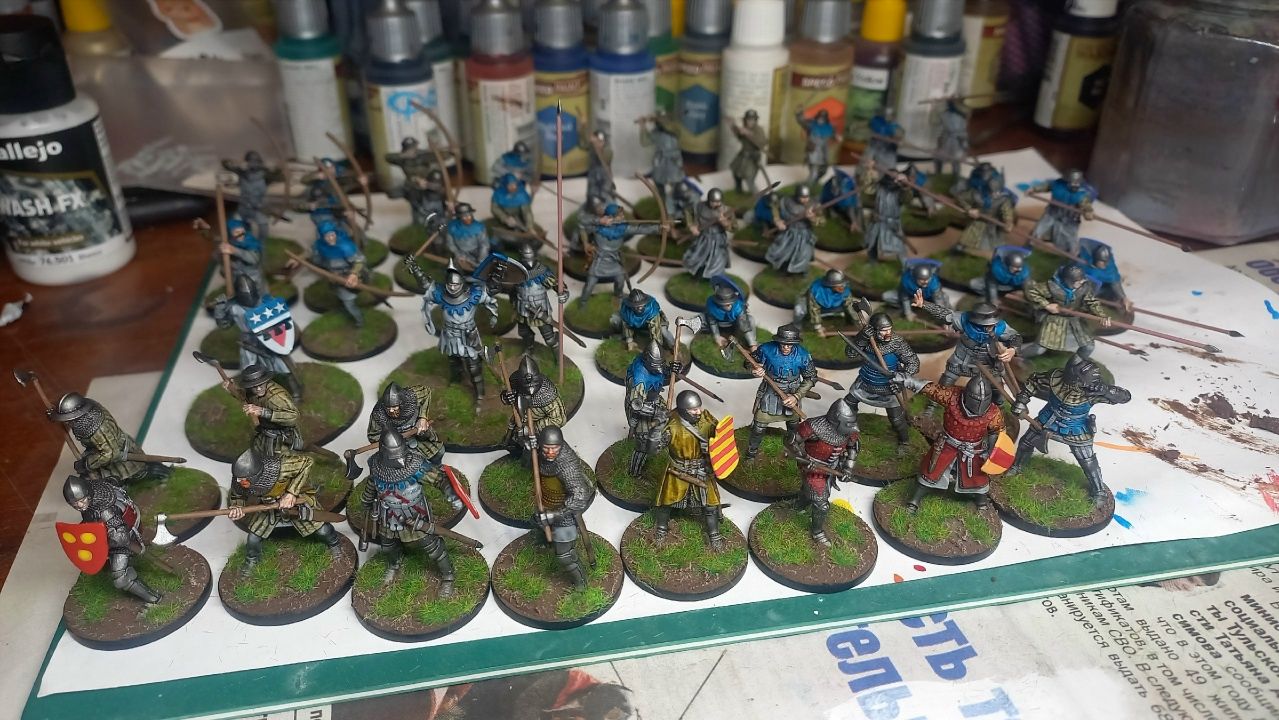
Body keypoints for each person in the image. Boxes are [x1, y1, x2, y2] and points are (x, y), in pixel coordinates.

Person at [1010, 354, 1131, 505]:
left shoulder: (1093, 391)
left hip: (1076, 428)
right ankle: (1016, 467)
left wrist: (1106, 390)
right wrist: (1021, 401)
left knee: (1087, 460)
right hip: (1046, 420)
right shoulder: (1055, 378)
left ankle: (1099, 491)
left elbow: (1125, 397)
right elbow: (1034, 381)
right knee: (1025, 443)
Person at [360, 430, 456, 593]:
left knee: (432, 547)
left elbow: (439, 479)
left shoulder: (415, 465)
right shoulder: (376, 465)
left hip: (415, 514)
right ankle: (394, 565)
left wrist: (450, 493)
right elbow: (372, 484)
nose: (400, 460)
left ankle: (448, 576)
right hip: (388, 515)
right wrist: (367, 500)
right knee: (388, 546)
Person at [227, 448, 343, 576]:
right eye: (239, 479)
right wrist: (237, 507)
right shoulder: (240, 481)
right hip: (269, 507)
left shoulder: (281, 467)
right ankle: (252, 560)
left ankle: (334, 544)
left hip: (297, 504)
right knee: (253, 537)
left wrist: (291, 494)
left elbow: (306, 462)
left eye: (244, 479)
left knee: (322, 529)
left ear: (256, 474)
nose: (240, 482)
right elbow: (237, 494)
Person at [899, 375, 1005, 512]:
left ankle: (981, 501)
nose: (979, 404)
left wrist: (989, 452)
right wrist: (908, 380)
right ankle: (915, 499)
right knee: (930, 472)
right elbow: (932, 389)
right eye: (976, 399)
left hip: (973, 450)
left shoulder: (993, 413)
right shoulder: (952, 397)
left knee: (977, 477)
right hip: (947, 444)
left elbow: (997, 432)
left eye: (983, 400)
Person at [62, 473, 161, 603]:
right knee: (105, 565)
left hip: (125, 538)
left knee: (120, 578)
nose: (79, 505)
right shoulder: (94, 490)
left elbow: (122, 539)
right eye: (74, 503)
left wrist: (101, 542)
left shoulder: (105, 512)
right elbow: (113, 479)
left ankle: (154, 598)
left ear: (87, 494)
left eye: (82, 500)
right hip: (115, 531)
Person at [366, 382, 463, 511]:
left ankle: (437, 468)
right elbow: (373, 436)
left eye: (394, 407)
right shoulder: (378, 414)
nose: (391, 411)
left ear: (402, 402)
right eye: (388, 408)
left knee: (438, 452)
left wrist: (422, 418)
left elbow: (426, 391)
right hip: (396, 449)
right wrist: (391, 438)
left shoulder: (411, 396)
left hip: (418, 437)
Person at [415, 261, 499, 406]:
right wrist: (416, 270)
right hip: (450, 335)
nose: (453, 288)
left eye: (456, 284)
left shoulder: (473, 295)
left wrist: (493, 315)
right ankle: (456, 382)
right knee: (454, 361)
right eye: (450, 284)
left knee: (473, 366)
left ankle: (480, 395)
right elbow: (427, 285)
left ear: (462, 283)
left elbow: (489, 295)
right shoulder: (442, 294)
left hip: (468, 335)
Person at [912, 297, 1020, 404]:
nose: (990, 326)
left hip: (989, 363)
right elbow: (944, 314)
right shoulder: (963, 320)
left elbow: (1015, 337)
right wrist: (924, 304)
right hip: (961, 360)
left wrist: (1012, 349)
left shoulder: (1001, 327)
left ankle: (999, 408)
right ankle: (932, 406)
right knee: (944, 384)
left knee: (998, 391)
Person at [653, 391, 726, 550]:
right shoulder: (671, 426)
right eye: (694, 410)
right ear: (683, 410)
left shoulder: (706, 421)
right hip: (678, 470)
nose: (699, 412)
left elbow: (721, 436)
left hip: (701, 470)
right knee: (666, 503)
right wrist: (656, 429)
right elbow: (654, 449)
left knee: (710, 506)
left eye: (699, 408)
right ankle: (661, 529)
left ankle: (714, 535)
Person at [49, 393, 169, 485]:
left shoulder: (98, 429)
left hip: (119, 454)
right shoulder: (88, 414)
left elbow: (110, 453)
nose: (68, 423)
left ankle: (163, 473)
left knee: (137, 474)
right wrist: (55, 416)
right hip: (100, 452)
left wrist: (87, 463)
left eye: (69, 420)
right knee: (92, 478)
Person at [841, 312, 920, 453]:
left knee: (896, 419)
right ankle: (849, 430)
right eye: (884, 330)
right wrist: (862, 336)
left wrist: (900, 379)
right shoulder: (867, 340)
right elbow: (850, 353)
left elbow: (913, 363)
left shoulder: (897, 342)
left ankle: (905, 441)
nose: (888, 333)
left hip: (889, 387)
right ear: (874, 330)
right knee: (847, 404)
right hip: (865, 383)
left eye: (889, 329)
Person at [213, 275, 301, 399]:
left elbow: (278, 321)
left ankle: (296, 393)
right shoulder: (234, 308)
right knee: (249, 373)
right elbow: (224, 324)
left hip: (267, 339)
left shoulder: (266, 302)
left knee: (283, 367)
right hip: (249, 344)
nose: (249, 297)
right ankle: (254, 399)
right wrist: (220, 310)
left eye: (251, 293)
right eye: (245, 294)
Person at [787, 401, 859, 546]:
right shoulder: (813, 426)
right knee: (822, 504)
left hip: (832, 468)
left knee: (810, 493)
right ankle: (817, 532)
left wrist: (847, 469)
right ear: (837, 420)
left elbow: (853, 449)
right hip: (813, 469)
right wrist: (804, 457)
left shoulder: (850, 431)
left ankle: (799, 505)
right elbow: (792, 441)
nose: (852, 427)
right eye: (848, 423)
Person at [532, 426, 595, 588]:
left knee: (565, 556)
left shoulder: (567, 464)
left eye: (554, 448)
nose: (550, 453)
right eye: (546, 448)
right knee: (538, 525)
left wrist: (555, 515)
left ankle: (581, 584)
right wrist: (528, 450)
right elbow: (528, 464)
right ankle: (547, 543)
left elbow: (579, 496)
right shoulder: (538, 451)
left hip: (566, 513)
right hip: (546, 503)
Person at [745, 324, 817, 458]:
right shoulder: (766, 349)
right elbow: (748, 361)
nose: (786, 347)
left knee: (794, 426)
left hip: (792, 392)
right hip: (770, 391)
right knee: (759, 426)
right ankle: (751, 453)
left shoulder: (803, 355)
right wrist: (754, 369)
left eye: (789, 345)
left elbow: (811, 378)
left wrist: (796, 396)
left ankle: (793, 448)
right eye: (783, 344)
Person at [1021, 263, 1112, 359]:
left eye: (1082, 280)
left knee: (1088, 347)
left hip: (1075, 320)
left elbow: (1092, 302)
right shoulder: (1052, 286)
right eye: (1078, 281)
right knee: (1039, 349)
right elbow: (1032, 291)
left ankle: (1075, 364)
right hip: (1055, 320)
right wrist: (1046, 305)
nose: (1081, 283)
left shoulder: (1084, 287)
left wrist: (1101, 315)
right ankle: (1017, 356)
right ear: (1068, 281)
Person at [579, 204, 662, 304]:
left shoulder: (623, 228)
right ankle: (583, 302)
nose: (623, 217)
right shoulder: (597, 228)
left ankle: (618, 297)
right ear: (610, 217)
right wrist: (586, 243)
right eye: (620, 215)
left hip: (614, 260)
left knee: (620, 280)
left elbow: (640, 229)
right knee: (590, 284)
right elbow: (582, 223)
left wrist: (659, 228)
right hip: (599, 260)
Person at [625, 340, 678, 474]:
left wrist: (672, 370)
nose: (659, 368)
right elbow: (636, 406)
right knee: (643, 444)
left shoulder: (652, 364)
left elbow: (660, 371)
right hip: (641, 409)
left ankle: (656, 447)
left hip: (654, 400)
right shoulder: (639, 378)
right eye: (656, 365)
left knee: (668, 426)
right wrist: (657, 412)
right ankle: (634, 472)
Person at [500, 356, 567, 459]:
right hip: (518, 422)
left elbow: (559, 419)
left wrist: (532, 429)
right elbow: (509, 396)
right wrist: (507, 397)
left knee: (537, 452)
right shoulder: (516, 382)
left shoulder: (548, 394)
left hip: (538, 431)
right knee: (513, 445)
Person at [229, 364, 301, 457]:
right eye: (254, 386)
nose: (258, 389)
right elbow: (244, 397)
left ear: (266, 381)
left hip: (283, 435)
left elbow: (294, 417)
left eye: (261, 384)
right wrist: (232, 389)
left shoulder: (276, 396)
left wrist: (263, 412)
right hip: (265, 431)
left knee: (279, 459)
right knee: (258, 452)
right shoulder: (252, 392)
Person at [305, 219, 366, 326]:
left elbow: (359, 261)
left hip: (347, 277)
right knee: (339, 295)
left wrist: (353, 274)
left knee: (349, 302)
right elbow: (313, 257)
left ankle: (359, 320)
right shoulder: (319, 246)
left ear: (336, 233)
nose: (330, 238)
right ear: (322, 237)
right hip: (333, 278)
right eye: (327, 236)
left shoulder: (346, 247)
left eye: (332, 235)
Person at [509, 242, 569, 350]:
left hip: (539, 310)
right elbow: (513, 289)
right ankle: (529, 348)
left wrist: (563, 292)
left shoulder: (541, 272)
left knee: (549, 339)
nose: (528, 261)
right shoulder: (517, 272)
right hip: (522, 309)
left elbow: (556, 284)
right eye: (525, 258)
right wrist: (513, 302)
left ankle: (555, 346)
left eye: (530, 258)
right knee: (524, 333)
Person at [1028, 169, 1095, 256]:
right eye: (1072, 182)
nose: (1074, 185)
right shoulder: (1058, 185)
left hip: (1069, 220)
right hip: (1051, 214)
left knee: (1071, 242)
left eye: (1076, 183)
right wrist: (1033, 189)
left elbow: (1086, 205)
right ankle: (1028, 249)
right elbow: (1047, 186)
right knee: (1038, 231)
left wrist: (1088, 212)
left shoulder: (1082, 194)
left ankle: (1074, 257)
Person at [221, 150, 279, 238]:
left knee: (263, 225)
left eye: (255, 161)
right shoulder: (242, 172)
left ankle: (261, 243)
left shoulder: (265, 174)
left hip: (258, 207)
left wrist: (270, 167)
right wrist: (239, 164)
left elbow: (277, 173)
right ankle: (244, 241)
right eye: (250, 161)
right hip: (244, 206)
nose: (253, 163)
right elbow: (226, 164)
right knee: (239, 225)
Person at [954, 172, 1017, 254]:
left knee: (997, 243)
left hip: (994, 224)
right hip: (978, 221)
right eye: (992, 192)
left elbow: (1007, 211)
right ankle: (958, 250)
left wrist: (1008, 222)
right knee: (968, 238)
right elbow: (960, 198)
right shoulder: (977, 193)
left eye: (997, 192)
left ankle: (998, 256)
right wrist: (969, 209)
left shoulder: (1004, 198)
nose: (995, 194)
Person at [764, 184, 820, 275]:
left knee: (803, 254)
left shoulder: (814, 205)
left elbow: (821, 221)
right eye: (802, 197)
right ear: (797, 196)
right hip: (789, 232)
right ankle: (783, 268)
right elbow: (775, 208)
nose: (805, 199)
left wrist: (812, 218)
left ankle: (799, 270)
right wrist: (777, 220)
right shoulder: (785, 201)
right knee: (781, 250)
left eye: (807, 197)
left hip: (804, 234)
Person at [683, 188, 736, 280]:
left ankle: (715, 278)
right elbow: (688, 211)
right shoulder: (700, 206)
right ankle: (697, 275)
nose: (717, 204)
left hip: (718, 239)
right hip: (704, 237)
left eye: (718, 202)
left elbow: (734, 227)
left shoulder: (726, 210)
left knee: (717, 259)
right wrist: (691, 226)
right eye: (714, 202)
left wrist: (725, 223)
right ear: (709, 200)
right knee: (697, 256)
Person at [793, 268, 863, 334]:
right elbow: (813, 308)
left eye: (842, 284)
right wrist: (818, 326)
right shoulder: (816, 291)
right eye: (838, 285)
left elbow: (849, 305)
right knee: (799, 310)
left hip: (831, 306)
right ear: (831, 285)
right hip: (810, 304)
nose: (842, 287)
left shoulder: (845, 290)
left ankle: (849, 322)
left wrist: (858, 320)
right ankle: (798, 327)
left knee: (848, 308)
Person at [640, 111, 685, 209]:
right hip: (660, 162)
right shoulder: (656, 132)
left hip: (673, 162)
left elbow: (669, 128)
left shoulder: (675, 128)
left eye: (663, 119)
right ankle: (662, 206)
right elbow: (645, 142)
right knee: (659, 183)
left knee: (674, 185)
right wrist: (643, 127)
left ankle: (675, 207)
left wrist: (659, 119)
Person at [864, 172, 912, 263]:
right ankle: (872, 261)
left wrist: (906, 186)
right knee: (872, 242)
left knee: (899, 245)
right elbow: (868, 191)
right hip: (877, 221)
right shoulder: (879, 187)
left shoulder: (899, 191)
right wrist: (870, 174)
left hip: (892, 222)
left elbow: (907, 199)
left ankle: (905, 264)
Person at [702, 277, 758, 352]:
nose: (729, 306)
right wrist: (717, 336)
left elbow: (744, 325)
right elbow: (712, 321)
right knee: (701, 319)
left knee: (750, 319)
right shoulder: (711, 305)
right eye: (726, 304)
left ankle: (752, 343)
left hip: (734, 324)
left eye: (730, 303)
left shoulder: (738, 307)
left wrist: (752, 344)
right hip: (719, 324)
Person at [610, 288, 674, 351]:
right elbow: (627, 325)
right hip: (636, 326)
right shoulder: (627, 311)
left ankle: (673, 346)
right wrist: (629, 340)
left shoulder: (652, 310)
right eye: (636, 306)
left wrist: (656, 346)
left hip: (653, 325)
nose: (639, 308)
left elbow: (655, 329)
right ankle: (619, 334)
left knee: (663, 331)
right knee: (615, 319)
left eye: (641, 305)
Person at [1079, 238, 1131, 311]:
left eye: (1105, 263)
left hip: (1099, 289)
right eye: (1101, 263)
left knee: (1112, 294)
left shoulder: (1109, 267)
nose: (1104, 265)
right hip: (1083, 285)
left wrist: (1123, 297)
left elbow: (1114, 280)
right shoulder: (1084, 257)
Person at [218, 217, 264, 291]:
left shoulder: (251, 243)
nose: (241, 234)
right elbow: (224, 267)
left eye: (242, 231)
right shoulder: (231, 243)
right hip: (237, 281)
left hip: (252, 279)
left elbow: (253, 259)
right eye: (237, 232)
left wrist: (235, 251)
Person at [795, 107, 838, 186]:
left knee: (823, 170)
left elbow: (834, 136)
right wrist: (799, 114)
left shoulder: (829, 127)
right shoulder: (811, 124)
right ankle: (808, 186)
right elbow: (802, 121)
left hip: (823, 151)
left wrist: (836, 136)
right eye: (820, 117)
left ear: (825, 119)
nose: (820, 120)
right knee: (813, 170)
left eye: (823, 118)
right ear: (817, 117)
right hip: (813, 150)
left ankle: (815, 182)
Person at [444, 203, 492, 272]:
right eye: (464, 216)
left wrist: (481, 260)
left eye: (469, 215)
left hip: (477, 252)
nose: (468, 218)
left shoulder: (479, 227)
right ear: (459, 217)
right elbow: (450, 243)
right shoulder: (452, 227)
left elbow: (484, 245)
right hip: (461, 253)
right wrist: (458, 253)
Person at [729, 109, 768, 194]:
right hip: (743, 156)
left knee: (749, 179)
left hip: (753, 158)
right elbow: (739, 136)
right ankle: (738, 190)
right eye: (748, 119)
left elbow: (762, 143)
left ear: (755, 120)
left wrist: (749, 134)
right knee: (736, 173)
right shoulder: (744, 128)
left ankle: (757, 195)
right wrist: (733, 126)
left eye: (752, 120)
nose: (750, 122)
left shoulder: (759, 130)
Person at [934, 99, 969, 178]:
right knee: (938, 157)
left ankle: (956, 177)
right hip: (947, 139)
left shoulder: (962, 115)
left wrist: (964, 145)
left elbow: (963, 132)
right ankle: (938, 174)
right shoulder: (944, 115)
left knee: (956, 160)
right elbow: (938, 124)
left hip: (958, 140)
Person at [583, 130, 616, 203]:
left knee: (606, 196)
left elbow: (605, 164)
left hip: (604, 179)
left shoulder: (607, 151)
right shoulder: (592, 149)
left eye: (600, 141)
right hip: (594, 177)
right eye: (596, 141)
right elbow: (583, 144)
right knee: (592, 195)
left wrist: (597, 148)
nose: (597, 143)